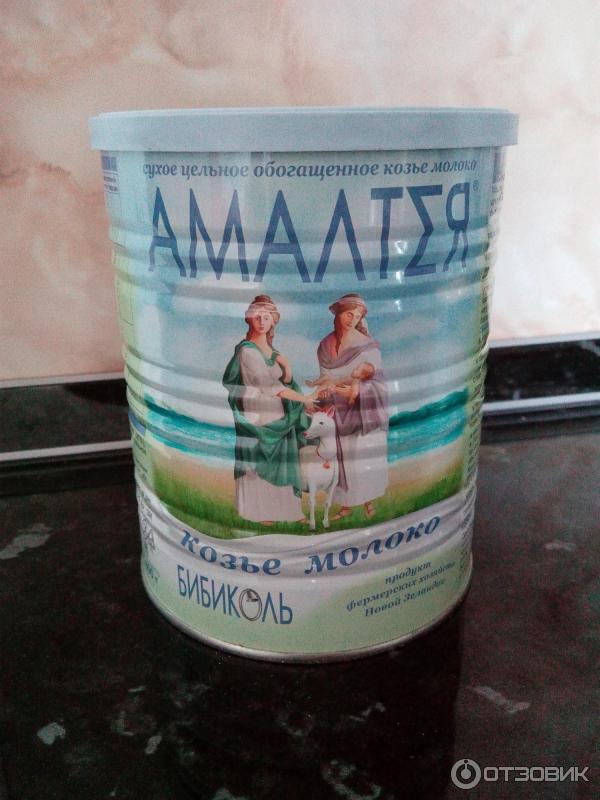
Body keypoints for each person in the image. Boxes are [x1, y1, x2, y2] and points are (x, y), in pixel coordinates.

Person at [222, 295, 317, 525]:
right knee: (262, 458)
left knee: (283, 459)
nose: (262, 321)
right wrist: (304, 398)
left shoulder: (272, 352)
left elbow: (283, 383)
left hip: (277, 411)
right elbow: (267, 386)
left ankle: (290, 512)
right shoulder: (247, 352)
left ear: (274, 320)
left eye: (266, 317)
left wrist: (288, 370)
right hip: (258, 413)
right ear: (249, 319)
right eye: (257, 316)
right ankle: (260, 512)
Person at [316, 293, 389, 520]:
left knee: (360, 461)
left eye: (357, 316)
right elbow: (326, 378)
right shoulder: (325, 346)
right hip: (338, 411)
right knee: (343, 462)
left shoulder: (368, 346)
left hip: (362, 413)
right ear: (338, 313)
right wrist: (325, 391)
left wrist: (357, 391)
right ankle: (346, 506)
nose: (352, 319)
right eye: (348, 314)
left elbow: (378, 383)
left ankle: (368, 502)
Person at [306, 361, 375, 406]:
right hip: (335, 382)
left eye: (357, 369)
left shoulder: (356, 381)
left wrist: (352, 399)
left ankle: (312, 396)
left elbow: (355, 391)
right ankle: (313, 384)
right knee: (326, 377)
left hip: (335, 387)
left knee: (326, 384)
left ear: (362, 376)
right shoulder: (353, 378)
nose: (354, 369)